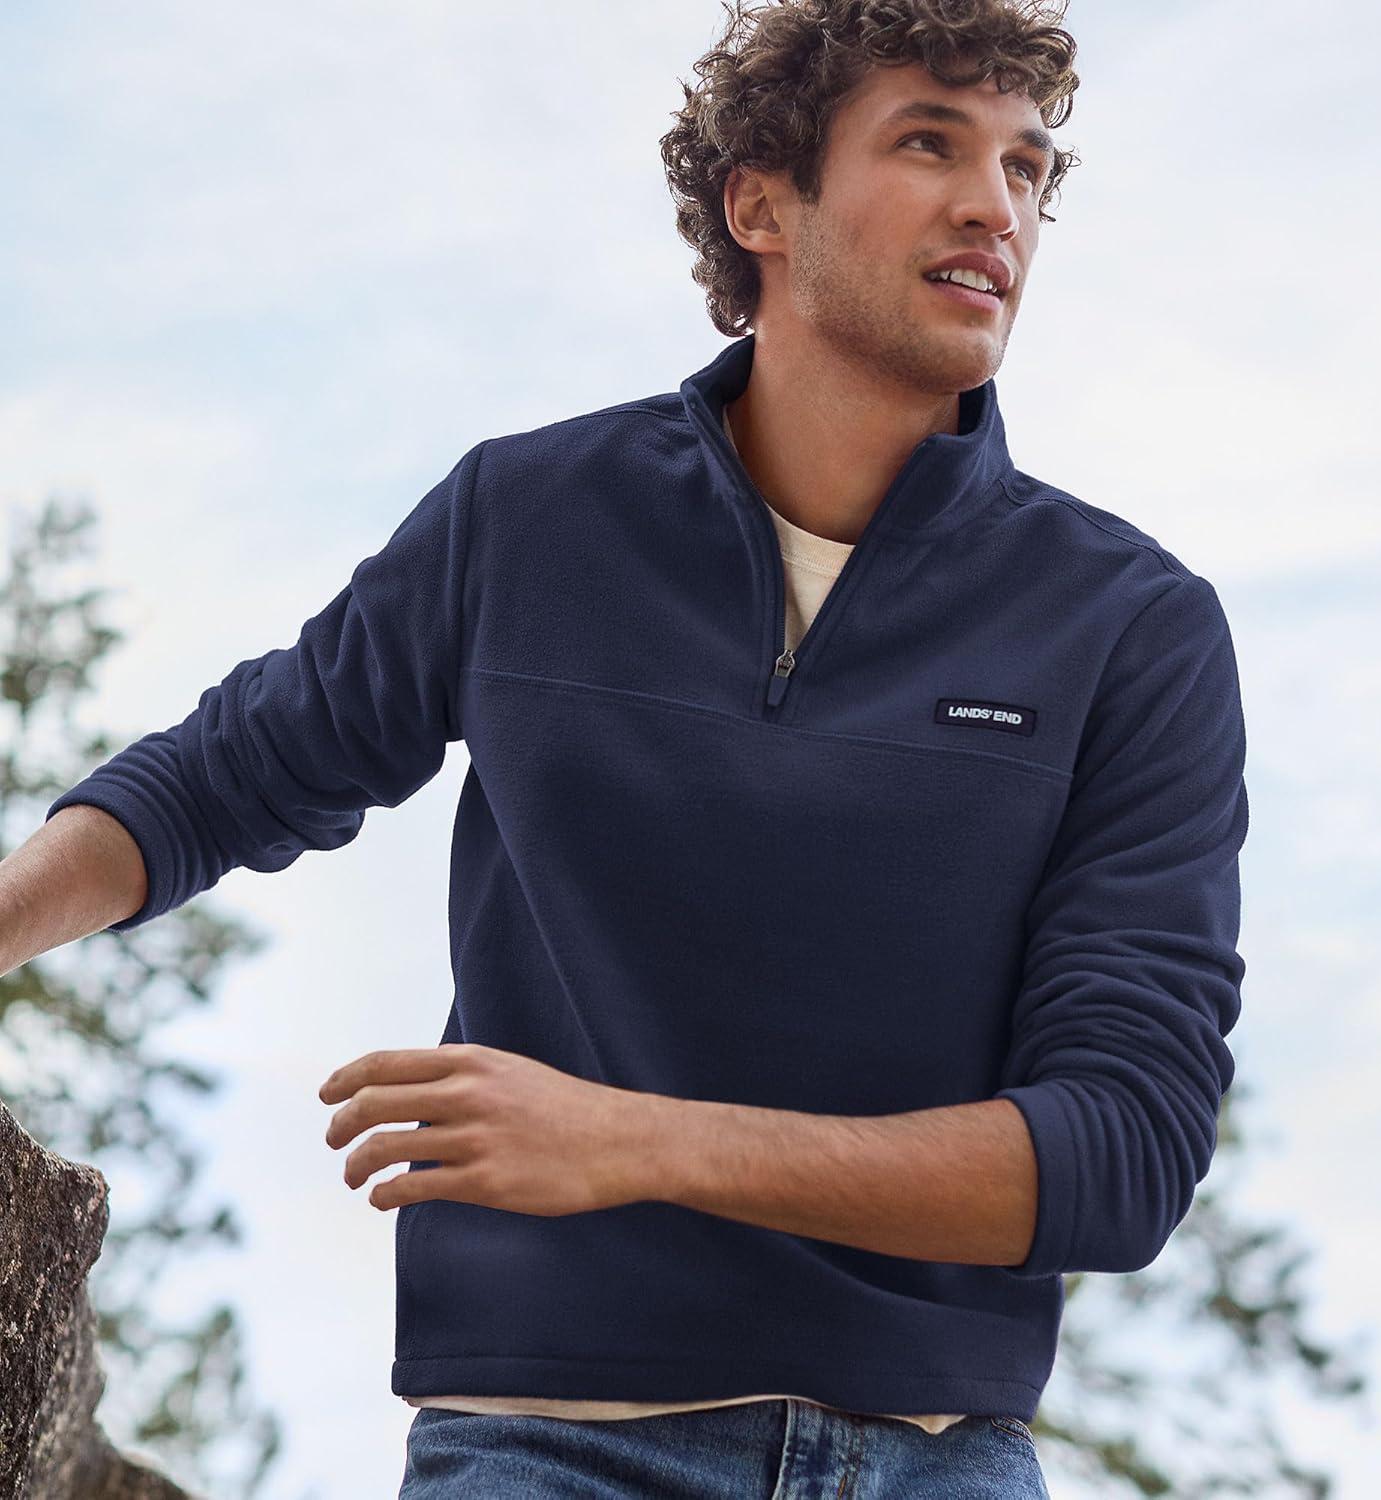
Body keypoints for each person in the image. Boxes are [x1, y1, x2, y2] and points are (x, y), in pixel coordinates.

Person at [2, 1, 1251, 1495]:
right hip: (541, 1446)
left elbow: (1120, 1154)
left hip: (935, 1459)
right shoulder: (526, 521)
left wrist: (635, 1144)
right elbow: (226, 775)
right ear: (762, 205)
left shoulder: (1131, 627)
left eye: (1027, 166)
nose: (997, 204)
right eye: (930, 143)